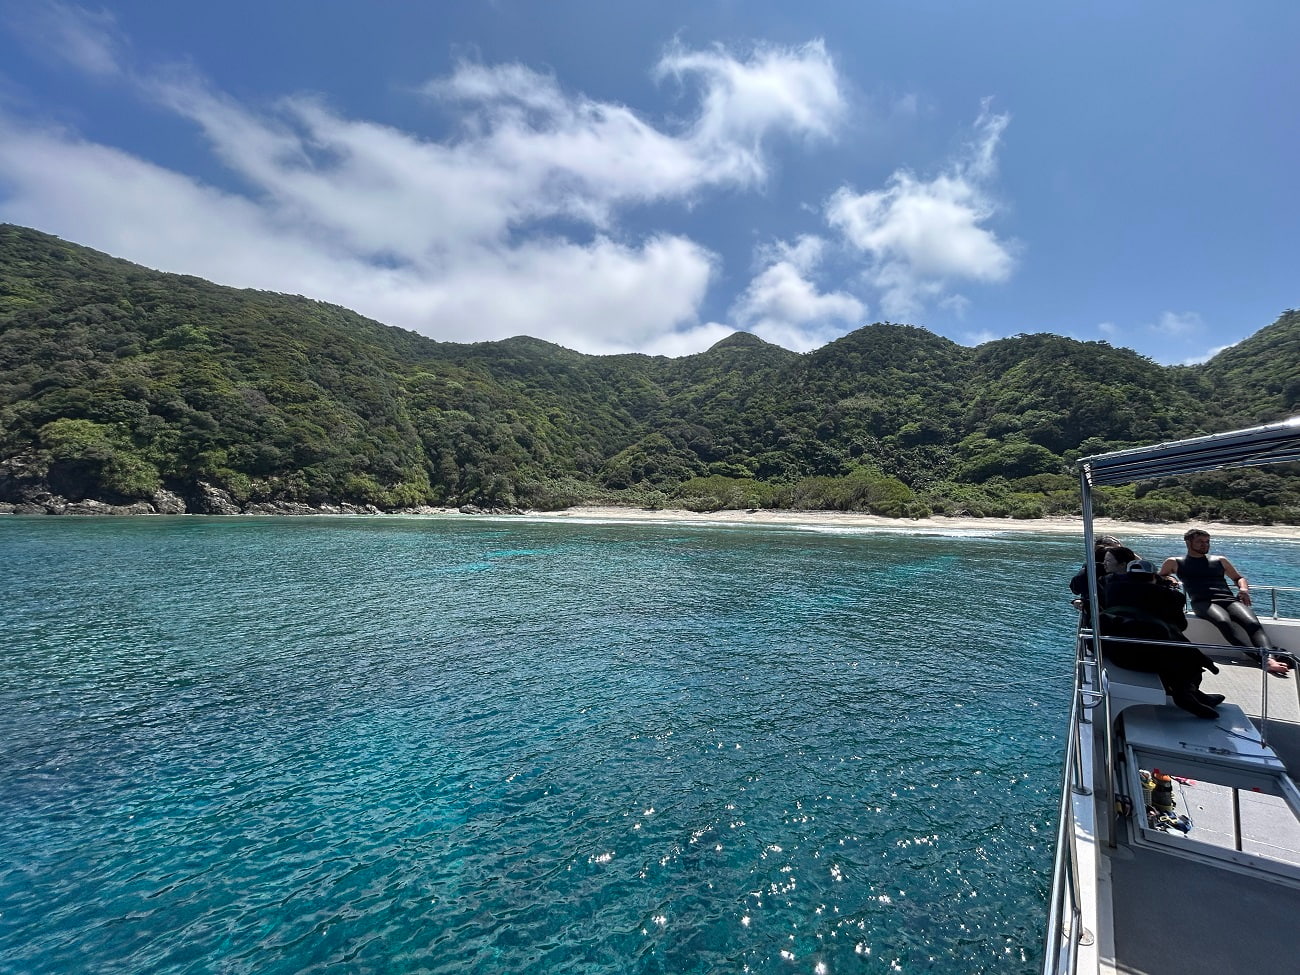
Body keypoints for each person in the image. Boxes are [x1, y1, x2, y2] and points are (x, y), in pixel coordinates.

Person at [1099, 559, 1225, 719]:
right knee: (1180, 654)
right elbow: (1180, 625)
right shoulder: (1167, 596)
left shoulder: (1111, 590)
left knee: (1166, 647)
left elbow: (1110, 580)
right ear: (1153, 576)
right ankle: (1184, 694)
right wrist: (1166, 588)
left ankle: (1193, 694)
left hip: (1116, 653)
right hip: (1149, 661)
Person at [1159, 529, 1291, 677]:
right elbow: (1161, 577)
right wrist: (1170, 579)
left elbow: (1238, 578)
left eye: (1207, 541)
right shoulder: (1175, 562)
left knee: (1253, 624)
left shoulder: (1219, 560)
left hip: (1228, 599)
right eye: (1200, 542)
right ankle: (1266, 661)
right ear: (1188, 542)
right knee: (1224, 623)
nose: (1205, 545)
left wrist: (1243, 589)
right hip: (1203, 602)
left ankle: (1270, 658)